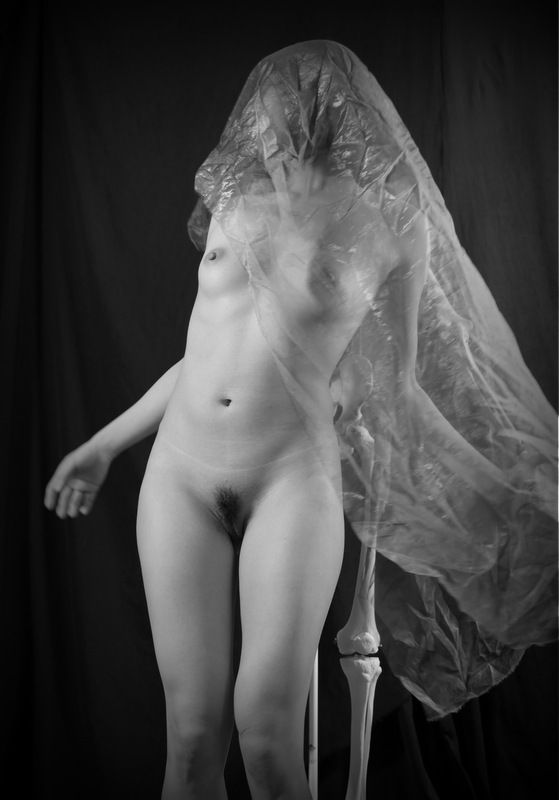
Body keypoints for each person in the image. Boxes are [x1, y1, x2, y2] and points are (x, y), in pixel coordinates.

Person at [44, 41, 557, 799]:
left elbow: (398, 382)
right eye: (263, 118)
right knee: (191, 735)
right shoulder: (235, 200)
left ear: (332, 118)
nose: (268, 134)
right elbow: (204, 359)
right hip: (180, 475)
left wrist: (498, 489)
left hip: (290, 480)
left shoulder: (391, 228)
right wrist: (102, 445)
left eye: (286, 118)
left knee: (264, 733)